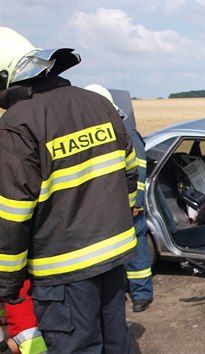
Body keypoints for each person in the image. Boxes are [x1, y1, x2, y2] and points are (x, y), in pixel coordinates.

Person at [0, 27, 138, 352]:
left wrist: (8, 282)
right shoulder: (100, 105)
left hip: (63, 271)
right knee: (116, 343)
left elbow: (12, 216)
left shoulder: (19, 123)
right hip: (114, 258)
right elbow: (129, 177)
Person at [84, 84, 153, 313]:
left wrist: (136, 202)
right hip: (109, 207)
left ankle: (142, 294)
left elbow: (140, 170)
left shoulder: (126, 131)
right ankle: (119, 291)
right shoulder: (97, 133)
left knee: (137, 250)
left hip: (129, 204)